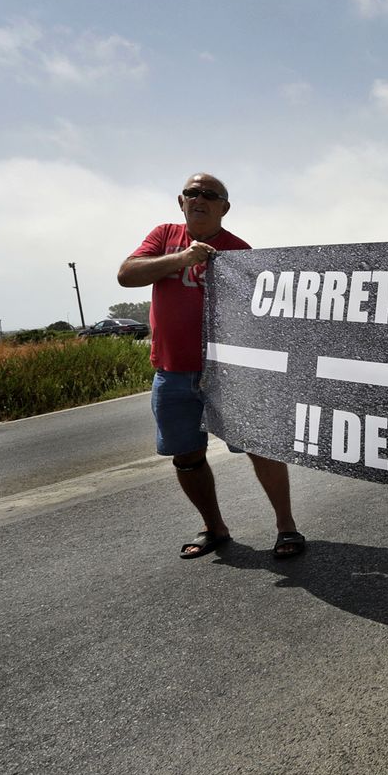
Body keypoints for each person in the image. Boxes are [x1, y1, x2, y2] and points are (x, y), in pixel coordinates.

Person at [117, 173, 307, 560]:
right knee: (186, 455)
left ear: (225, 206)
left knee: (259, 445)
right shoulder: (164, 236)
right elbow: (126, 275)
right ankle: (214, 527)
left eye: (209, 195)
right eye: (191, 193)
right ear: (180, 201)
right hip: (172, 372)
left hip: (230, 374)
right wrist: (182, 258)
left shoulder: (240, 252)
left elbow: (259, 314)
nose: (198, 199)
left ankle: (286, 527)